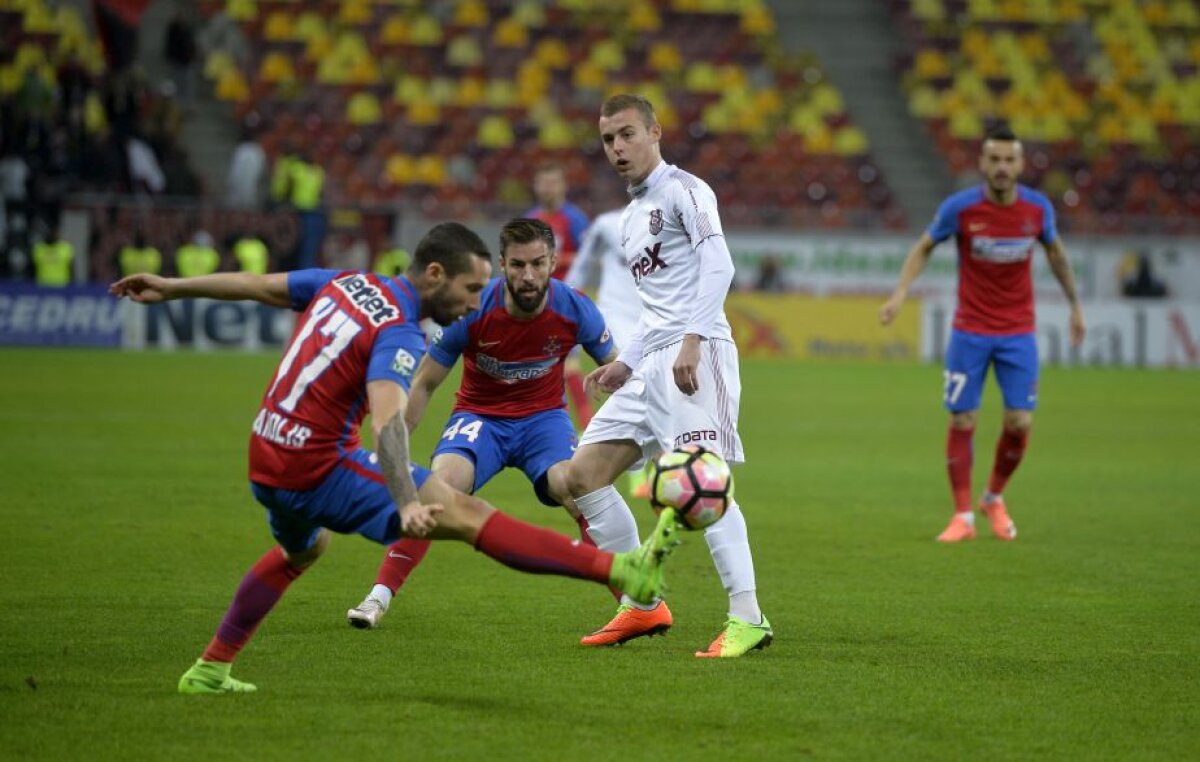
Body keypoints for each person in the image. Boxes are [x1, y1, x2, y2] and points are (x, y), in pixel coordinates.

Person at [109, 221, 679, 694]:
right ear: (436, 275)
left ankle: (211, 667)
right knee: (466, 515)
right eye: (471, 288)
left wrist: (172, 287)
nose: (476, 303)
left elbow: (259, 285)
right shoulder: (401, 334)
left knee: (302, 548)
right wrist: (407, 499)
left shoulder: (346, 282)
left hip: (265, 452)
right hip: (319, 464)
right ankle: (619, 568)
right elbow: (387, 421)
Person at [563, 94, 772, 658]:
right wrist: (624, 364)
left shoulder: (686, 190)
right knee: (579, 478)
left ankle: (747, 617)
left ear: (655, 131)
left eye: (628, 134)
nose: (618, 148)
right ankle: (642, 601)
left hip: (695, 357)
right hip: (651, 362)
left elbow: (719, 265)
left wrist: (693, 339)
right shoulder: (631, 218)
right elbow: (658, 304)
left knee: (706, 484)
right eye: (608, 140)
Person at [346, 218, 619, 629]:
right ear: (503, 264)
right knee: (440, 487)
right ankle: (378, 597)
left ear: (551, 263)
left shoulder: (575, 307)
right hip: (480, 418)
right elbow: (423, 384)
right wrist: (392, 453)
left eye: (538, 264)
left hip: (543, 421)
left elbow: (616, 367)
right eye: (518, 265)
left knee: (575, 487)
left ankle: (632, 602)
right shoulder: (471, 312)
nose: (528, 276)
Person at [878, 123, 1086, 543]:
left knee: (1020, 420)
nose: (1003, 167)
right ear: (983, 163)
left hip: (1018, 333)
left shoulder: (1038, 210)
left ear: (1021, 163)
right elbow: (923, 247)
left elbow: (1058, 257)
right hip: (969, 331)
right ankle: (962, 516)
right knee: (963, 416)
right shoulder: (960, 208)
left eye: (1010, 160)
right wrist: (900, 293)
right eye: (995, 159)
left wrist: (1075, 307)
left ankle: (993, 497)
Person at [564, 208, 652, 499]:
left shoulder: (664, 222)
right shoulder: (605, 224)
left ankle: (606, 442)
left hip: (649, 315)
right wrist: (567, 301)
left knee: (655, 387)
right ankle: (639, 474)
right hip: (613, 313)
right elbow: (583, 262)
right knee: (632, 382)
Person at [526, 161, 594, 428]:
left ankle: (587, 422)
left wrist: (553, 260)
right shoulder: (531, 219)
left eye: (553, 182)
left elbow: (588, 257)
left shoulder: (574, 219)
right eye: (543, 182)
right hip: (533, 301)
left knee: (567, 364)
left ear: (563, 186)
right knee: (541, 365)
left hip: (565, 300)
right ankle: (554, 421)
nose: (548, 188)